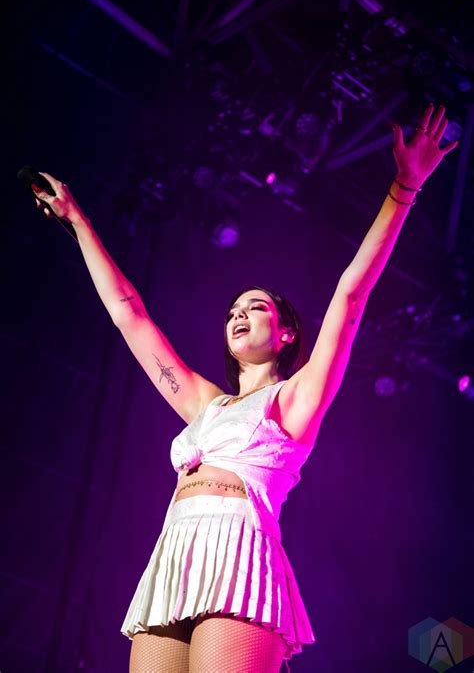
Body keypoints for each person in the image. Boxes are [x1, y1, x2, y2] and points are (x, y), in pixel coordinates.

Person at [33, 103, 457, 672]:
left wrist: (404, 187)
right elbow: (129, 314)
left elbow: (352, 297)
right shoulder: (205, 405)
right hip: (176, 554)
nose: (238, 315)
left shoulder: (295, 399)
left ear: (284, 334)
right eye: (233, 309)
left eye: (254, 308)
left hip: (239, 551)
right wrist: (77, 220)